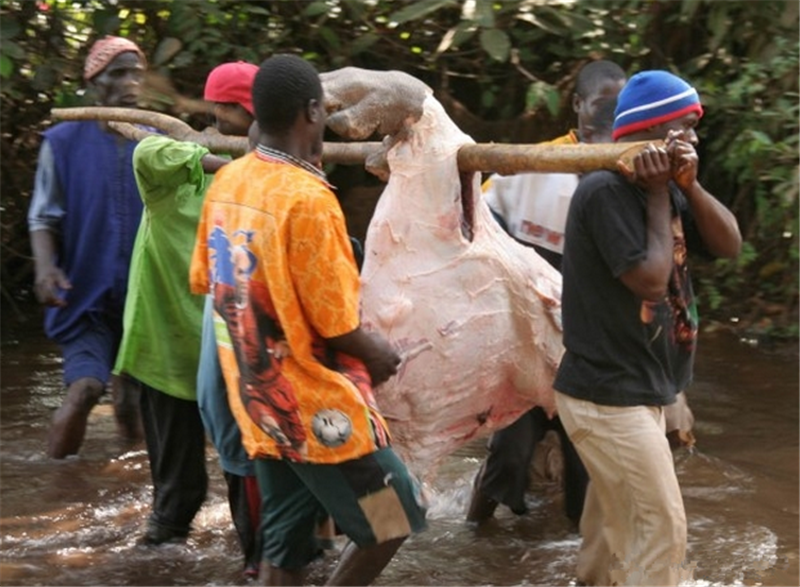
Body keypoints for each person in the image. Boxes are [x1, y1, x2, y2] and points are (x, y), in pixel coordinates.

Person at [189, 54, 427, 586]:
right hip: (319, 413)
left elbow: (213, 283)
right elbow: (337, 324)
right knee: (392, 522)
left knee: (287, 546)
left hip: (259, 405)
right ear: (313, 112)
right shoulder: (310, 199)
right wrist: (379, 355)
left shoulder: (228, 182)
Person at [553, 70, 742, 585]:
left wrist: (689, 185)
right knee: (662, 531)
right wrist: (660, 193)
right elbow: (652, 282)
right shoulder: (604, 192)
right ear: (654, 132)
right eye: (686, 126)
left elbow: (729, 245)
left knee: (610, 538)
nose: (696, 139)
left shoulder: (669, 189)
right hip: (608, 397)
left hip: (639, 389)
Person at [467, 60, 627, 527]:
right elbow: (479, 233)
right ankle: (477, 537)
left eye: (620, 106)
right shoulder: (532, 169)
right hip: (527, 342)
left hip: (589, 349)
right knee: (510, 454)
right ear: (577, 105)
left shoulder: (632, 170)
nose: (611, 115)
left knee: (585, 466)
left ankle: (573, 561)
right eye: (602, 104)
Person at [113, 62, 260, 558]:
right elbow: (147, 150)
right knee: (177, 492)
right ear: (225, 111)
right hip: (167, 337)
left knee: (246, 464)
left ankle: (261, 556)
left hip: (225, 342)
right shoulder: (174, 169)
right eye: (246, 111)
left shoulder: (261, 185)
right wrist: (221, 158)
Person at [27, 35, 147, 459]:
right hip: (85, 294)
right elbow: (43, 216)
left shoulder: (153, 141)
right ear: (95, 83)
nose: (131, 83)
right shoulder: (61, 142)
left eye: (137, 73)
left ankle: (121, 484)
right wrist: (45, 270)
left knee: (132, 402)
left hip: (140, 298)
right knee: (86, 389)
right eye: (118, 73)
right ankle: (55, 481)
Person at [195, 61, 263, 576]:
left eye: (225, 109)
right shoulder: (233, 182)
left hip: (251, 373)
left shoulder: (233, 183)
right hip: (254, 375)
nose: (217, 118)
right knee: (385, 516)